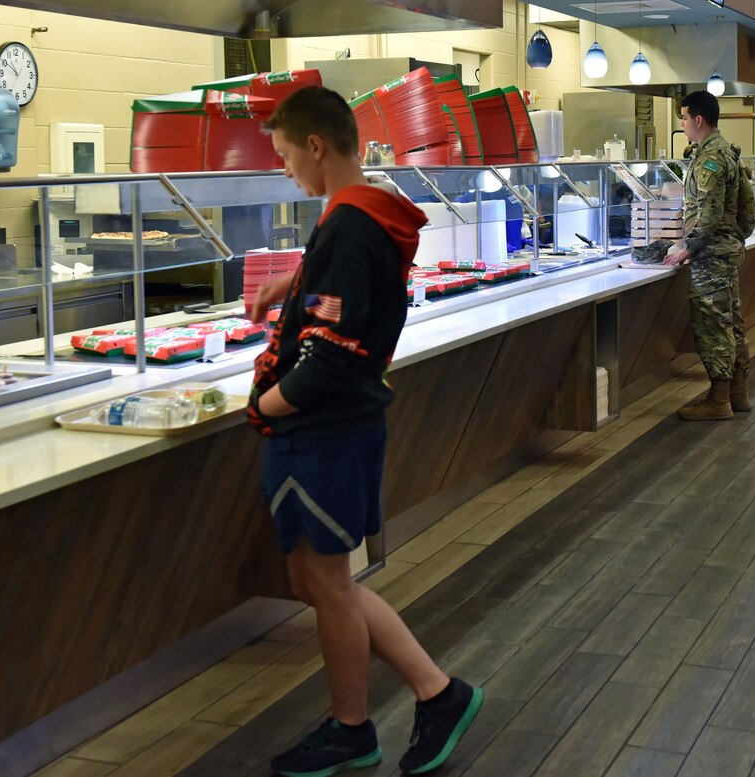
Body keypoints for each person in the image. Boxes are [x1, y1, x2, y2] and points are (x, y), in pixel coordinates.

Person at [246, 86, 483, 777]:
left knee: (327, 580)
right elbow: (338, 296)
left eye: (286, 155)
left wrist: (266, 405)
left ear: (316, 146)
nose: (286, 169)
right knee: (316, 579)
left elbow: (331, 355)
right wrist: (293, 284)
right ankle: (433, 696)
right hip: (335, 427)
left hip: (325, 431)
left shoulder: (348, 226)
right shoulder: (361, 211)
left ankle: (362, 723)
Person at [663, 90, 754, 421]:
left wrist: (688, 247)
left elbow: (709, 212)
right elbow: (747, 210)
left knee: (713, 325)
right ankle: (738, 394)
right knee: (731, 323)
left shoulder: (709, 160)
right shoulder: (729, 153)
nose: (683, 124)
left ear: (698, 119)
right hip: (725, 252)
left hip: (711, 255)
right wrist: (736, 237)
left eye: (684, 118)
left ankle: (719, 400)